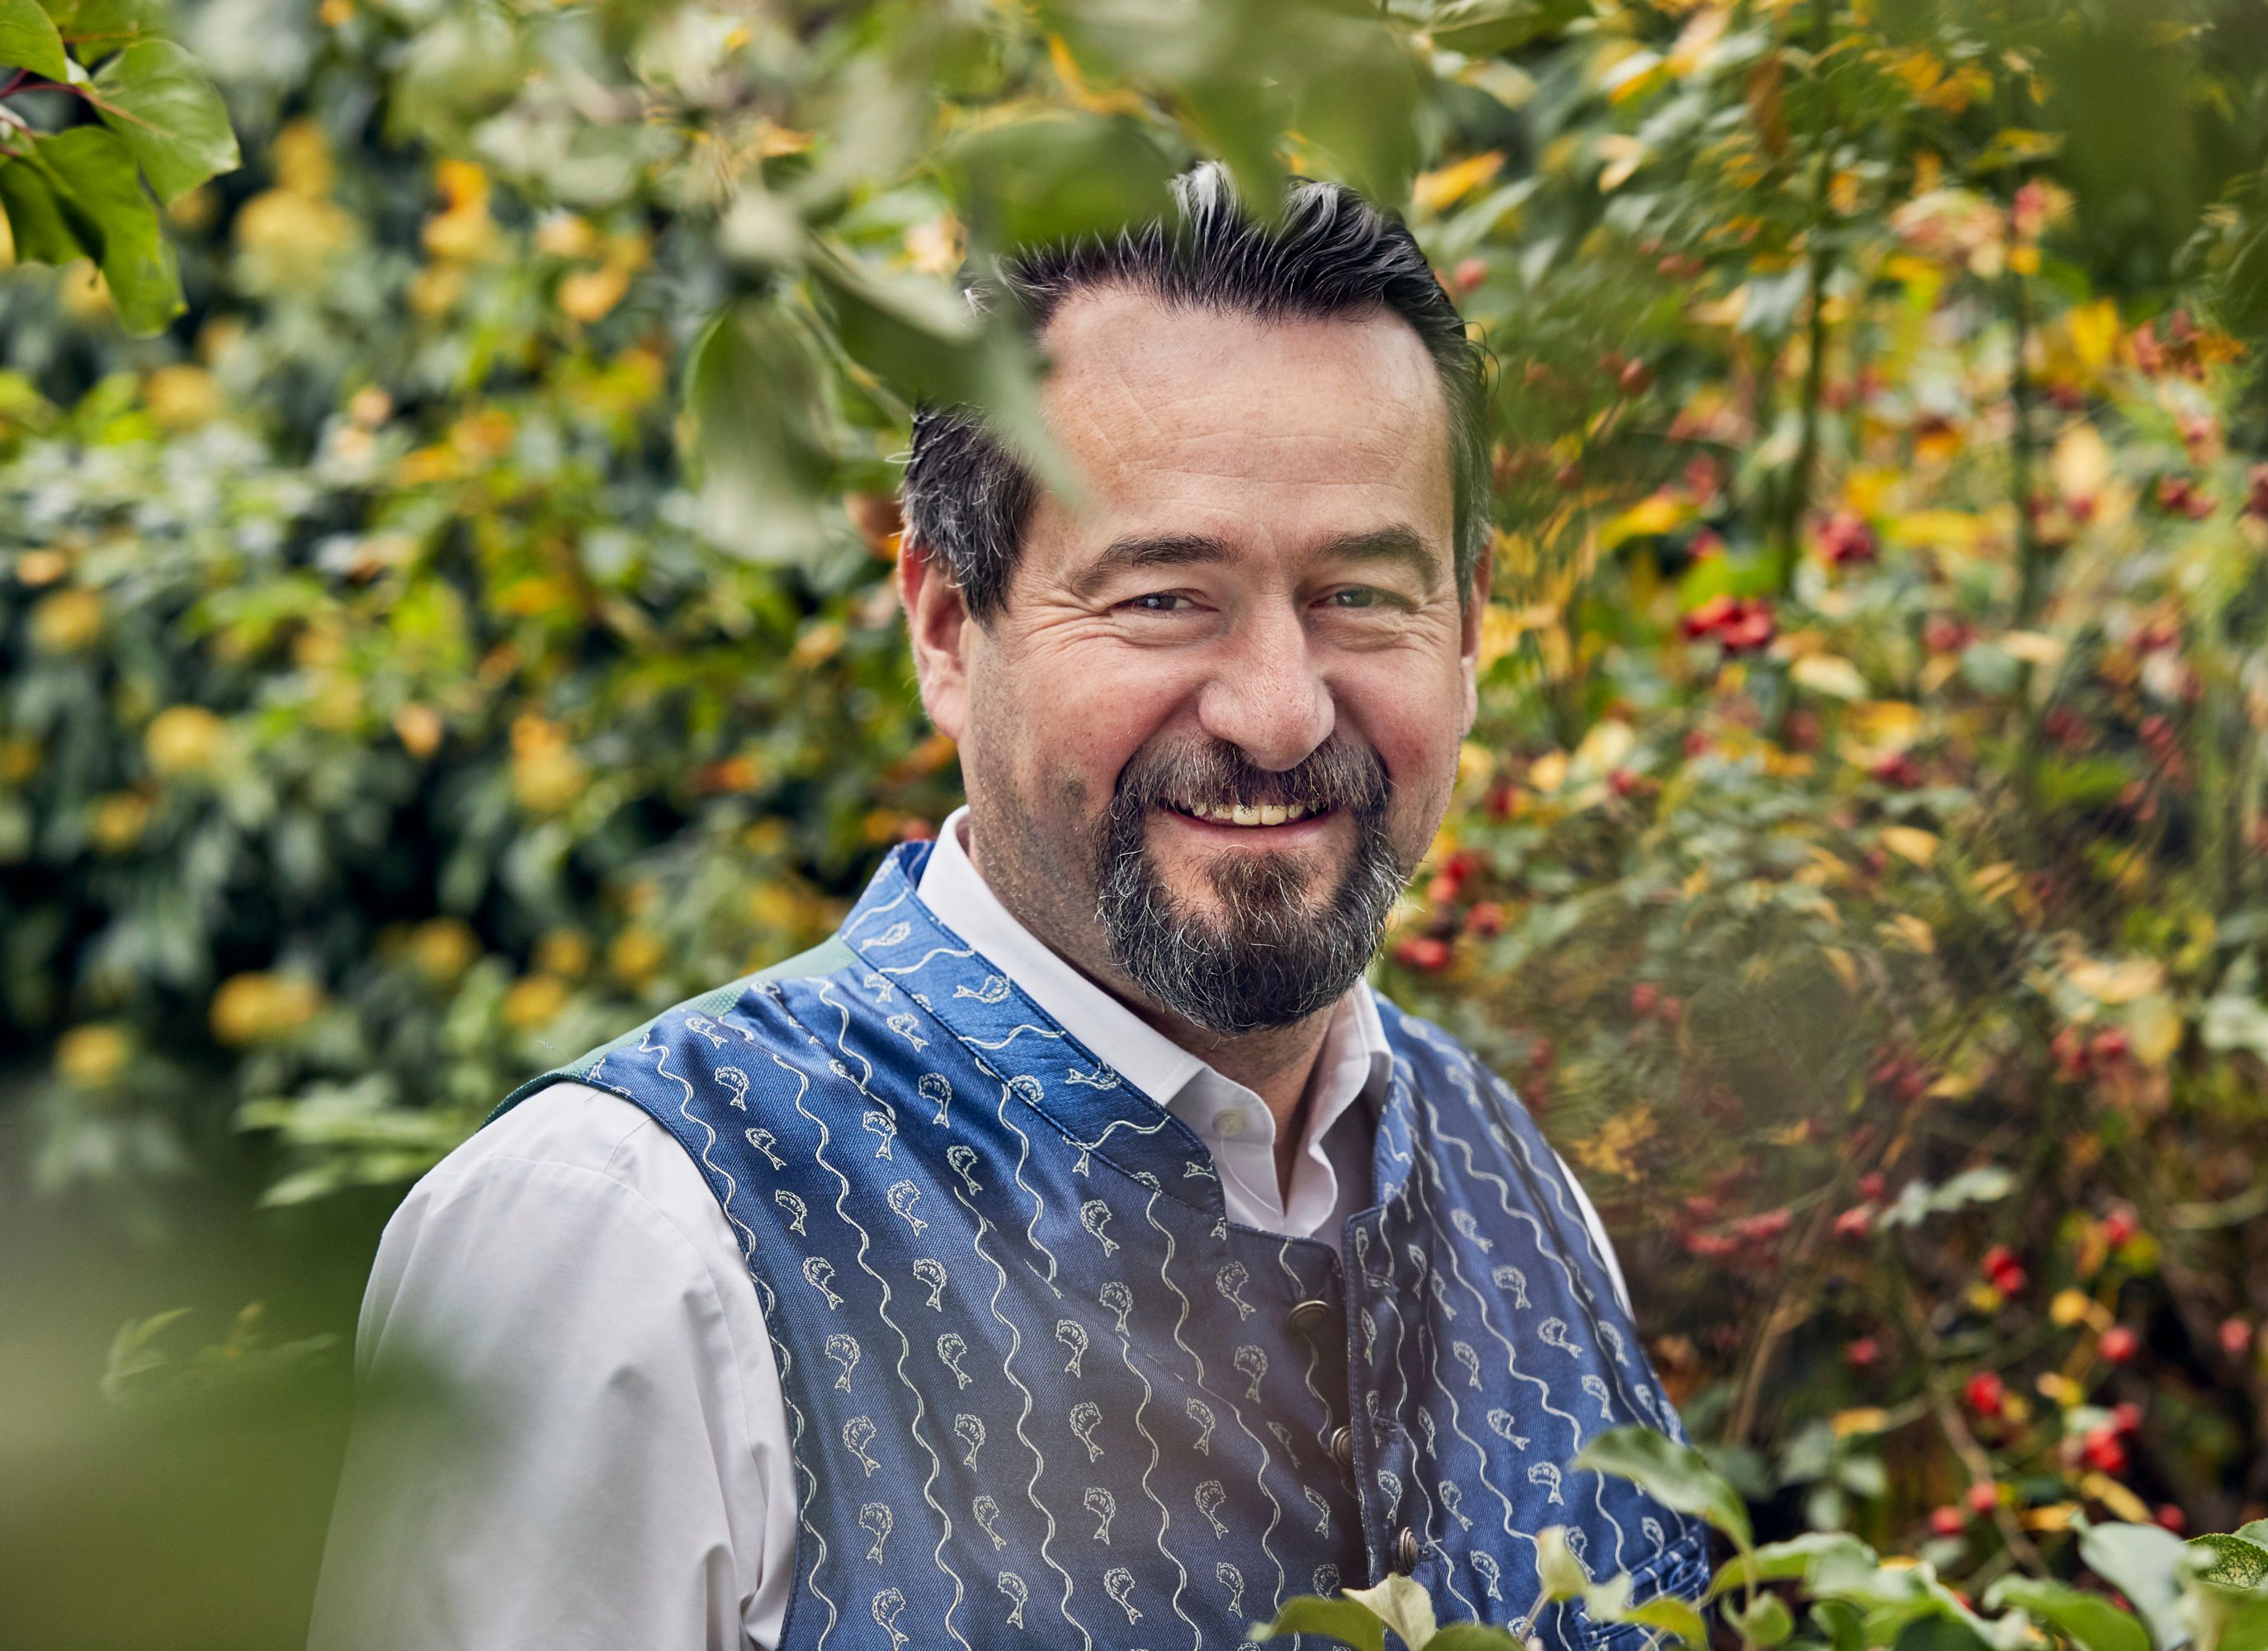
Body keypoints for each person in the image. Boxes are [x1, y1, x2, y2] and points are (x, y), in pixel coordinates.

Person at [308, 164, 1704, 1651]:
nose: (1284, 713)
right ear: (947, 626)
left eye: (1364, 596)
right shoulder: (628, 1242)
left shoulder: (1522, 1192)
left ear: (1472, 627)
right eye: (1166, 597)